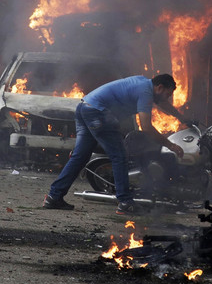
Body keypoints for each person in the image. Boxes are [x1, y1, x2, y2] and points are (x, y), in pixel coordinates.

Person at [43, 73, 187, 215]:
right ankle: (125, 202)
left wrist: (182, 118)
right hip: (97, 113)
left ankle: (54, 197)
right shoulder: (146, 92)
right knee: (119, 156)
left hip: (84, 107)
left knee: (80, 157)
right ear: (160, 87)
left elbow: (162, 103)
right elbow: (146, 127)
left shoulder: (143, 83)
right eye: (168, 94)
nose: (167, 98)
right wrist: (171, 145)